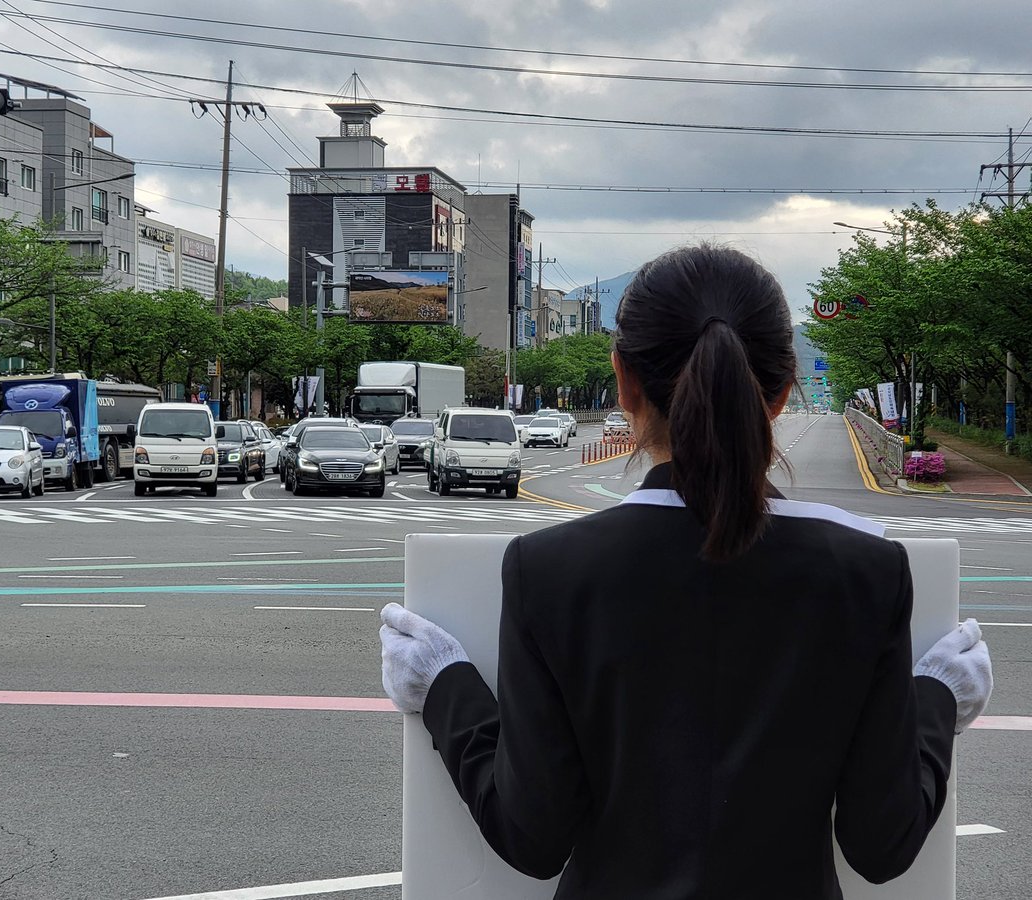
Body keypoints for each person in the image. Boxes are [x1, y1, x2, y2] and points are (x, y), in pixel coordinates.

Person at [379, 244, 992, 899]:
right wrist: (938, 698)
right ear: (783, 391)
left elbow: (534, 837)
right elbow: (881, 845)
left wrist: (446, 686)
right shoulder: (867, 572)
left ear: (624, 383)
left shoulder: (549, 573)